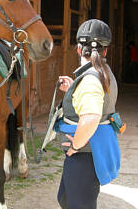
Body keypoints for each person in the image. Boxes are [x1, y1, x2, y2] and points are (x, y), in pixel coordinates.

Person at [56, 19, 121, 209]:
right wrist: (73, 90)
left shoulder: (90, 80)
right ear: (105, 50)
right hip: (87, 153)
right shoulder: (101, 72)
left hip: (84, 155)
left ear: (78, 49)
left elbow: (92, 117)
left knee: (79, 205)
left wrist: (76, 145)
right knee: (66, 199)